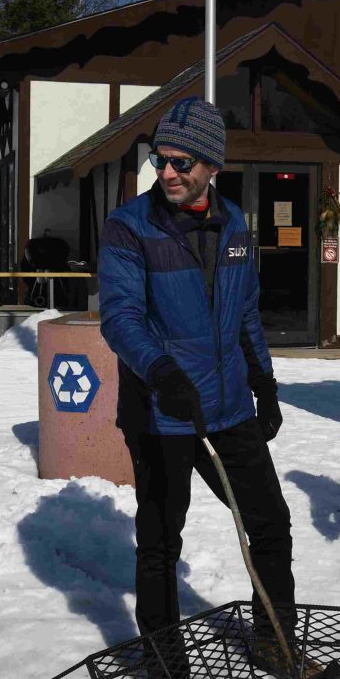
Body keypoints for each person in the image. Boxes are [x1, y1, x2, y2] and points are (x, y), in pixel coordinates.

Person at [97, 96, 296, 649]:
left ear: (212, 167)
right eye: (161, 159)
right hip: (160, 410)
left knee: (270, 524)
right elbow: (119, 316)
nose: (167, 173)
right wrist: (161, 372)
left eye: (181, 163)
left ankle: (275, 641)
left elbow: (246, 312)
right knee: (161, 543)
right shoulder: (129, 228)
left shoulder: (235, 224)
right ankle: (166, 671)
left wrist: (265, 384)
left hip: (228, 405)